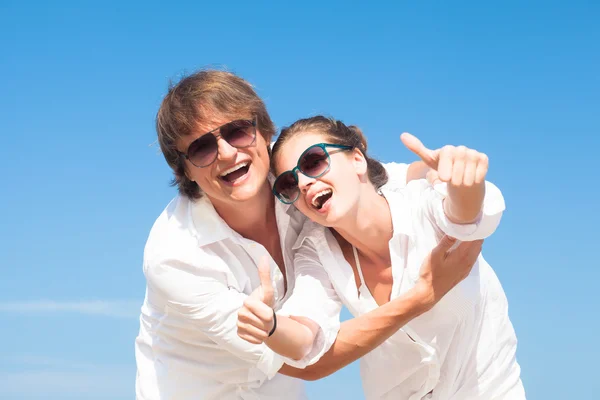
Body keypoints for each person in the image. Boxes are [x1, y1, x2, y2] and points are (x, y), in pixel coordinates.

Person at [134, 70, 484, 400]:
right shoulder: (175, 256)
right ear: (185, 170)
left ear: (266, 133)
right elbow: (305, 362)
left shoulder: (294, 180)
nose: (226, 153)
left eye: (238, 130)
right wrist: (422, 296)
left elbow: (378, 179)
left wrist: (448, 172)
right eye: (201, 148)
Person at [237, 116, 525, 399]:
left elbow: (466, 216)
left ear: (357, 160)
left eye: (313, 162)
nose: (302, 182)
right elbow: (305, 337)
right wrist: (271, 327)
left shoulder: (418, 205)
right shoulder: (315, 251)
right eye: (288, 183)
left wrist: (465, 182)